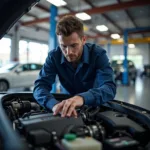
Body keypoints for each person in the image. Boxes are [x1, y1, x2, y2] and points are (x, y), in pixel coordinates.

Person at [33, 15, 116, 118]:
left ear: (84, 40)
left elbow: (109, 88)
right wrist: (53, 105)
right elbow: (40, 86)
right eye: (63, 46)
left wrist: (82, 98)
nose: (68, 52)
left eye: (73, 46)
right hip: (65, 109)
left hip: (94, 108)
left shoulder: (98, 55)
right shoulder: (54, 57)